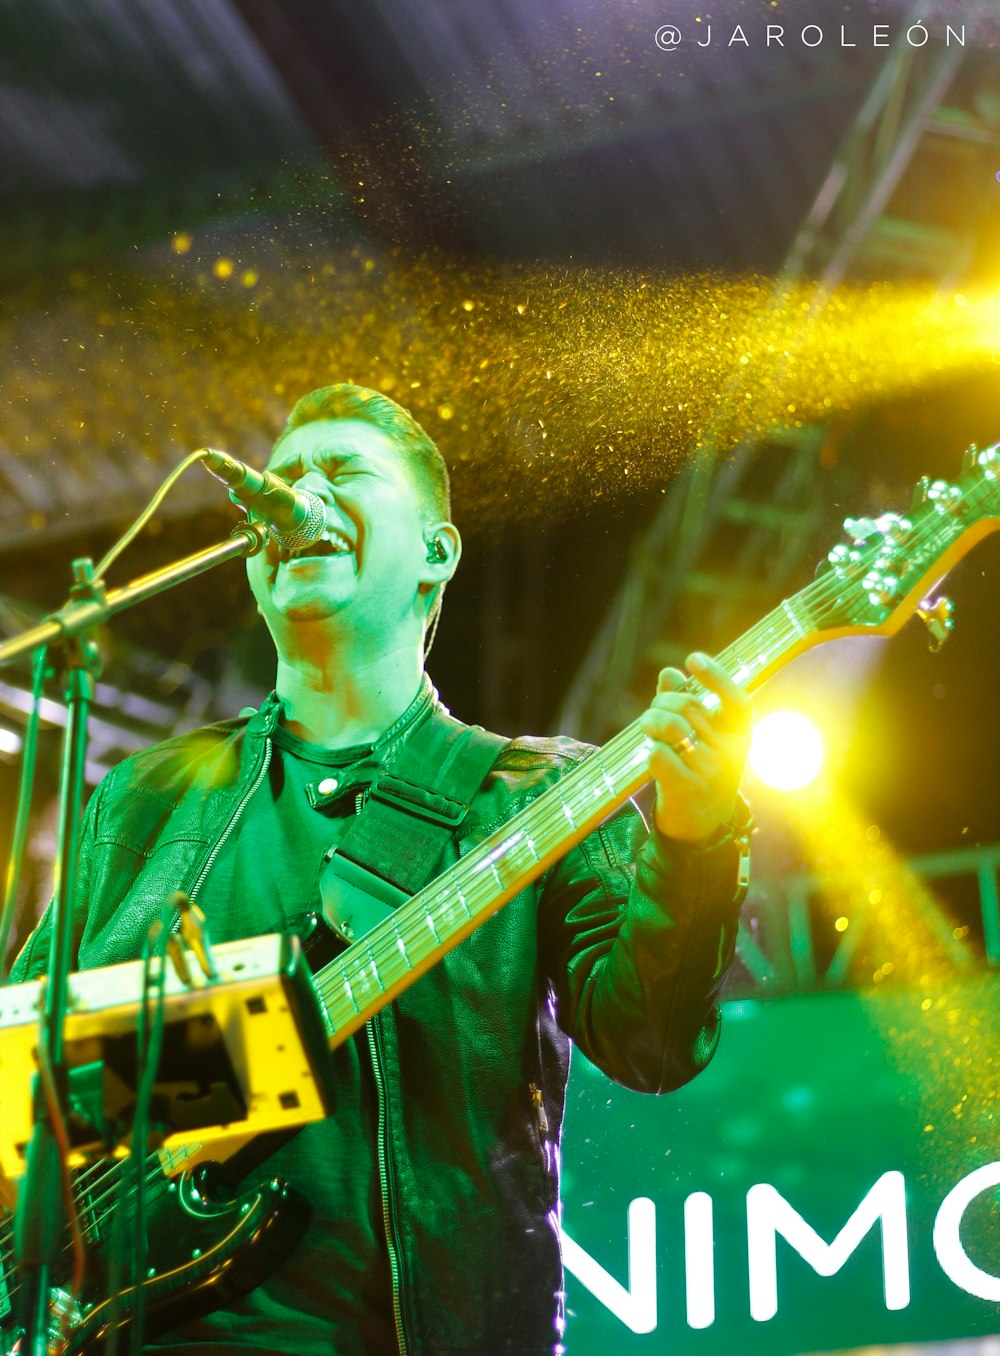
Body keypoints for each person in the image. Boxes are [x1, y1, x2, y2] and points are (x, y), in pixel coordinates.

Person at [10, 384, 753, 1355]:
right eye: (285, 480)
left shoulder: (531, 797)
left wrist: (697, 839)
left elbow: (651, 1041)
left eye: (343, 473)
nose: (301, 494)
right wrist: (178, 1057)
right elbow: (21, 1080)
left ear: (436, 554)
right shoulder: (148, 797)